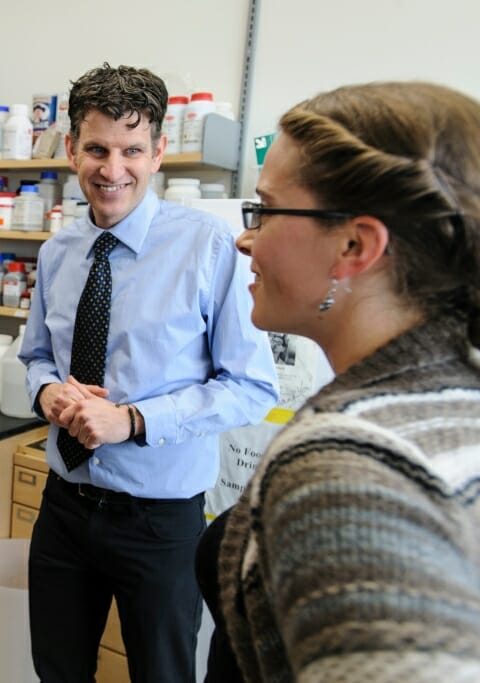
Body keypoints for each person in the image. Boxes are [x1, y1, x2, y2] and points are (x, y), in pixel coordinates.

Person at [204, 81, 480, 682]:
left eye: (266, 210)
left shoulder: (347, 467)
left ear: (354, 244)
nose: (244, 237)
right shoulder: (452, 392)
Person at [19, 63, 279, 683]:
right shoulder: (57, 253)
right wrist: (49, 391)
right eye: (98, 149)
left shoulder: (210, 246)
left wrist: (134, 419)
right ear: (72, 150)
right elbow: (34, 357)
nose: (113, 171)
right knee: (56, 671)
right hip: (64, 510)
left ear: (159, 151)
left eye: (132, 150)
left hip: (159, 521)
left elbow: (252, 386)